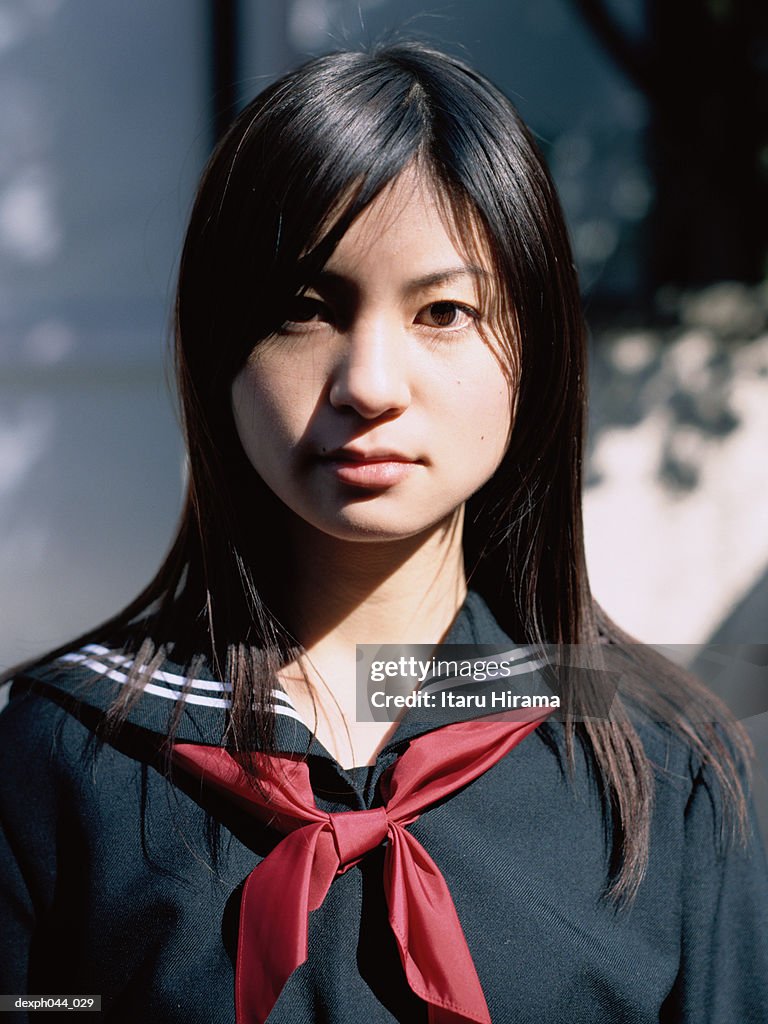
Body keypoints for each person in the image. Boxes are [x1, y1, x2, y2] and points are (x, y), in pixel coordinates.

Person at [1, 41, 766, 1024]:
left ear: (533, 352)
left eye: (442, 310)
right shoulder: (67, 759)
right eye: (305, 309)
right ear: (218, 346)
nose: (369, 383)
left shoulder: (661, 775)